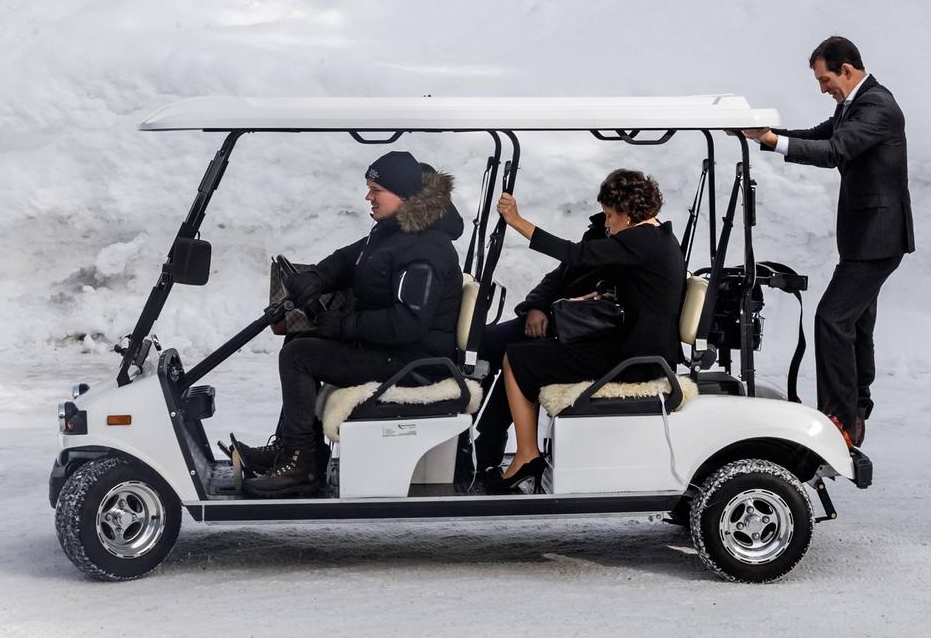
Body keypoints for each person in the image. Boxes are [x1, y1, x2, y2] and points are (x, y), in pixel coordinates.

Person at [239, 150, 465, 496]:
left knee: (298, 356)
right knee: (297, 343)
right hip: (388, 348)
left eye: (376, 190)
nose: (368, 197)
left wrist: (343, 325)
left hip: (411, 360)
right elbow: (351, 258)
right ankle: (294, 448)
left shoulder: (425, 251)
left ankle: (301, 467)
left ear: (403, 196)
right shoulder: (394, 229)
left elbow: (407, 323)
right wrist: (317, 277)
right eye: (368, 188)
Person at [741, 35, 913, 448]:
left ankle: (838, 416)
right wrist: (763, 134)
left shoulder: (877, 106)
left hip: (879, 238)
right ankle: (855, 412)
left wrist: (769, 141)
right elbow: (818, 134)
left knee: (831, 320)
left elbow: (835, 150)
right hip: (863, 238)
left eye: (824, 79)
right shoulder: (853, 104)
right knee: (855, 323)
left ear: (847, 70)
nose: (823, 89)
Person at [489, 170, 686, 493]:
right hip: (639, 346)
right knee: (529, 354)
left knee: (517, 357)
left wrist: (517, 221)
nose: (606, 225)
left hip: (635, 357)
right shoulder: (657, 237)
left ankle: (526, 456)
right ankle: (520, 453)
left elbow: (574, 255)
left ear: (627, 212)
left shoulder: (641, 239)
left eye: (609, 216)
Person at [462, 211, 607, 481]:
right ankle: (469, 440)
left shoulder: (627, 247)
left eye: (611, 211)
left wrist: (556, 315)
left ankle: (487, 444)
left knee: (518, 358)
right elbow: (559, 274)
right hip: (553, 319)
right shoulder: (600, 230)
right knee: (484, 343)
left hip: (578, 331)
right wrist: (535, 306)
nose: (607, 217)